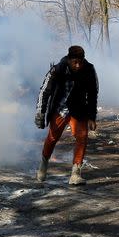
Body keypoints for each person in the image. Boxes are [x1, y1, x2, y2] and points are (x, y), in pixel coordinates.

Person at [35, 45, 99, 185]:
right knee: (52, 138)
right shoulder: (57, 69)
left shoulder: (89, 70)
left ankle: (75, 173)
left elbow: (93, 94)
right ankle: (44, 164)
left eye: (80, 62)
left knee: (82, 138)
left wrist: (92, 116)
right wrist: (40, 112)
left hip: (79, 110)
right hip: (59, 109)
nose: (78, 65)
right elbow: (44, 91)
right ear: (69, 60)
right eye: (75, 62)